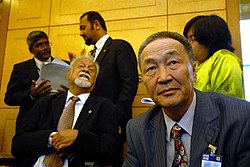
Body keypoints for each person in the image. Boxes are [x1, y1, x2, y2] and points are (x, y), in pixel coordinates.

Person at [123, 31, 250, 167]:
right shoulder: (137, 129)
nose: (164, 77)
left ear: (194, 72)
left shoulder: (240, 118)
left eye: (173, 62)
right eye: (151, 68)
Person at [11, 56, 119, 167]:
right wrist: (51, 138)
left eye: (91, 70)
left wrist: (78, 138)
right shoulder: (44, 103)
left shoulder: (105, 107)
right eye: (81, 66)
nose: (86, 70)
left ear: (94, 81)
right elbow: (17, 144)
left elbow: (110, 149)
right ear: (68, 74)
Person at [78, 11, 139, 166]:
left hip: (111, 123)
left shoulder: (119, 46)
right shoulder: (90, 55)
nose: (81, 33)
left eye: (83, 27)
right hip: (91, 124)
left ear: (96, 24)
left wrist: (116, 119)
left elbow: (129, 84)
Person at [4, 30, 69, 132]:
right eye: (39, 45)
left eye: (47, 43)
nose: (45, 48)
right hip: (30, 124)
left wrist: (68, 93)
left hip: (57, 121)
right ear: (31, 50)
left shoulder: (65, 65)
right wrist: (31, 94)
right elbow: (9, 98)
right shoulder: (20, 69)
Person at [183, 15, 245, 99]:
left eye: (192, 39)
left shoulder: (224, 60)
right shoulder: (197, 64)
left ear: (210, 38)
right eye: (187, 39)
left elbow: (225, 104)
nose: (187, 44)